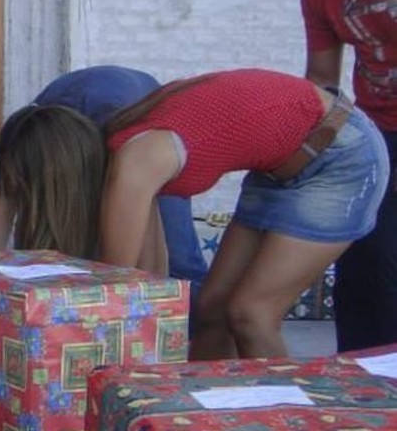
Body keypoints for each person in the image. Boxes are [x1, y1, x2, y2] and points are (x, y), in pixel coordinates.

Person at [99, 68, 388, 359]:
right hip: (281, 161)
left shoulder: (137, 158)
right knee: (212, 308)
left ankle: (283, 403)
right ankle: (209, 400)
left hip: (339, 158)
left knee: (251, 315)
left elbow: (115, 286)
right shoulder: (133, 141)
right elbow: (147, 276)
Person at [0, 66, 209, 299]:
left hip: (133, 110)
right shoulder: (19, 147)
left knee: (180, 261)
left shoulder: (129, 148)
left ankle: (196, 328)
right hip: (62, 111)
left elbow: (148, 271)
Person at [301, 0, 397, 352]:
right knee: (362, 252)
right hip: (377, 128)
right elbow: (322, 80)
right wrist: (312, 151)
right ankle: (365, 380)